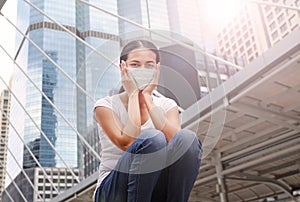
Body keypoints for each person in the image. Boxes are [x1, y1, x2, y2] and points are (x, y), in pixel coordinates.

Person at [93, 39, 202, 202]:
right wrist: (133, 95)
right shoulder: (105, 106)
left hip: (154, 188)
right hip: (112, 192)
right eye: (135, 64)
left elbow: (179, 144)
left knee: (188, 138)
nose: (142, 70)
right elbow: (126, 142)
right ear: (123, 67)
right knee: (152, 138)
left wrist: (147, 99)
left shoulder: (167, 105)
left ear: (157, 68)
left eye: (149, 65)